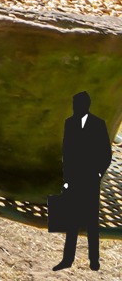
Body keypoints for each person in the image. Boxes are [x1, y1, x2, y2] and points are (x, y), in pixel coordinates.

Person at [55, 91, 112, 270]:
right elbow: (67, 152)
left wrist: (97, 174)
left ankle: (94, 260)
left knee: (91, 223)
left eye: (78, 104)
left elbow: (106, 153)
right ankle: (67, 260)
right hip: (74, 179)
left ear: (86, 105)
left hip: (90, 179)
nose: (76, 108)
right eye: (74, 104)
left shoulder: (98, 124)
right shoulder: (69, 123)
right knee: (71, 222)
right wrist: (66, 178)